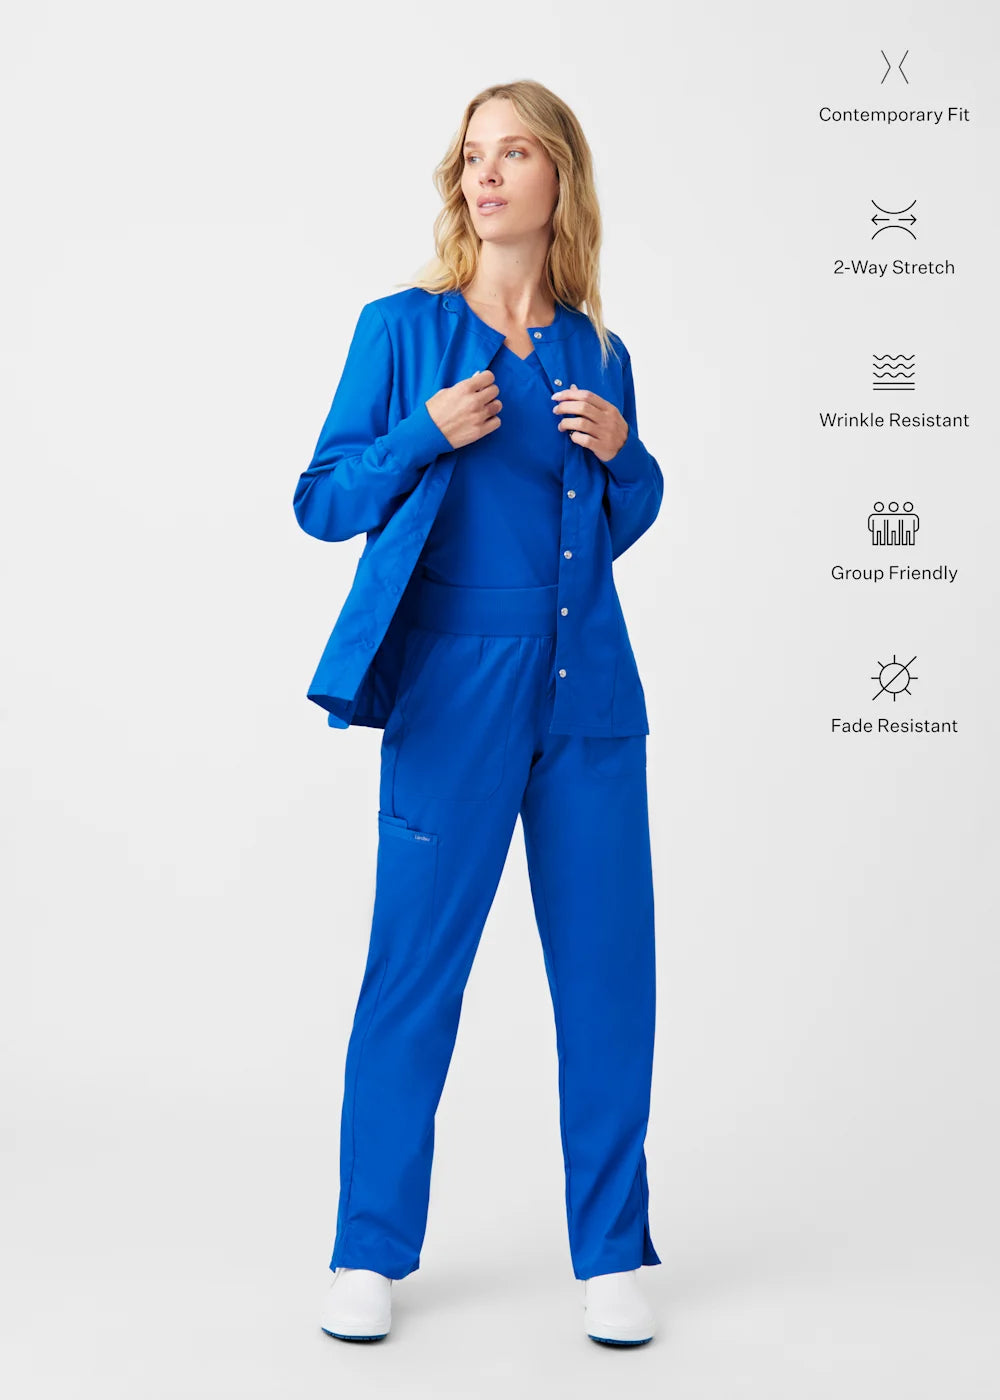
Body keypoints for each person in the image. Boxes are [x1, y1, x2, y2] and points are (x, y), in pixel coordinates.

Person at [292, 79, 665, 1348]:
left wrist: (626, 453)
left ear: (561, 176)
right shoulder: (402, 329)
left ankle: (611, 1251)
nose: (486, 174)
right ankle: (367, 1246)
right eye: (470, 156)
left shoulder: (599, 351)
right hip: (453, 687)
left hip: (590, 692)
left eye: (512, 152)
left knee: (609, 980)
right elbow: (321, 500)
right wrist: (421, 433)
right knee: (414, 971)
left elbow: (620, 517)